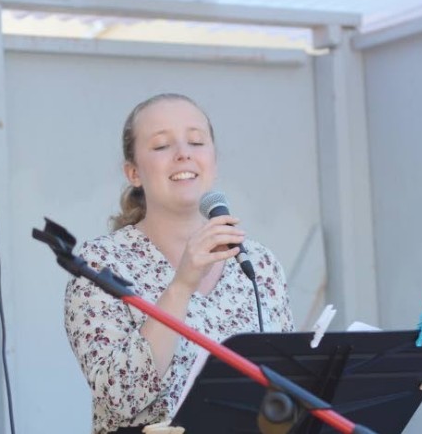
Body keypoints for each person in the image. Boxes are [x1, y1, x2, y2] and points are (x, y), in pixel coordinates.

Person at [63, 93, 295, 434]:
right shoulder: (99, 266)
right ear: (134, 173)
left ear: (214, 162)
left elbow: (287, 386)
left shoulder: (258, 263)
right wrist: (182, 285)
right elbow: (122, 397)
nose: (183, 153)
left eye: (197, 141)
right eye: (161, 146)